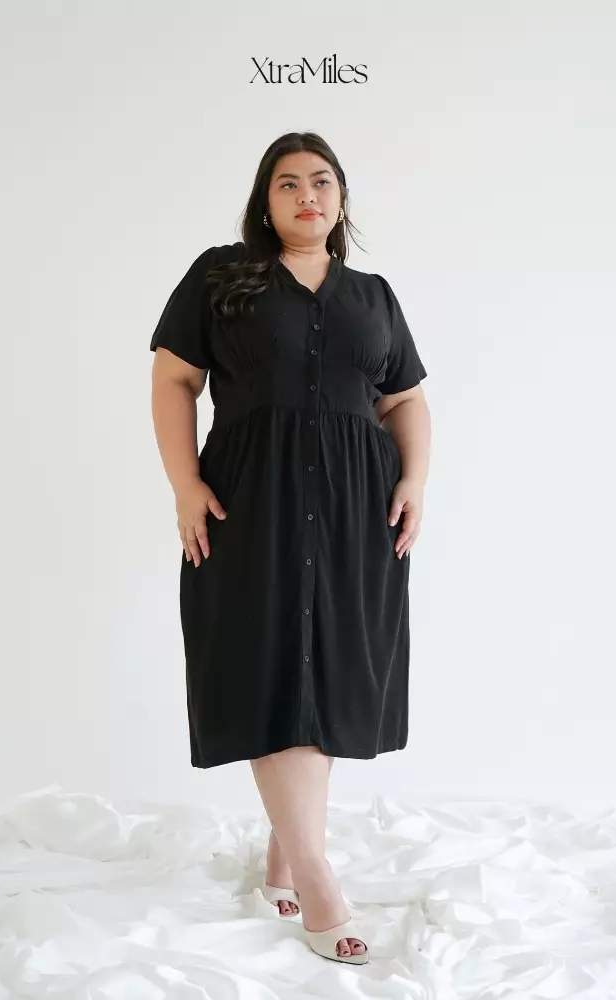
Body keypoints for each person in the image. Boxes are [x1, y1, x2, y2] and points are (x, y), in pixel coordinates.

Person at [149, 132, 431, 966]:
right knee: (271, 666)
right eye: (287, 183)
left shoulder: (373, 296)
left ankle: (283, 852)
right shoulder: (220, 277)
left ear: (341, 199)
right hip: (250, 502)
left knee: (328, 672)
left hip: (356, 511)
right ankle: (316, 876)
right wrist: (184, 485)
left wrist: (416, 480)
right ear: (264, 201)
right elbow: (173, 380)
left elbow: (404, 399)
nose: (307, 195)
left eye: (321, 181)